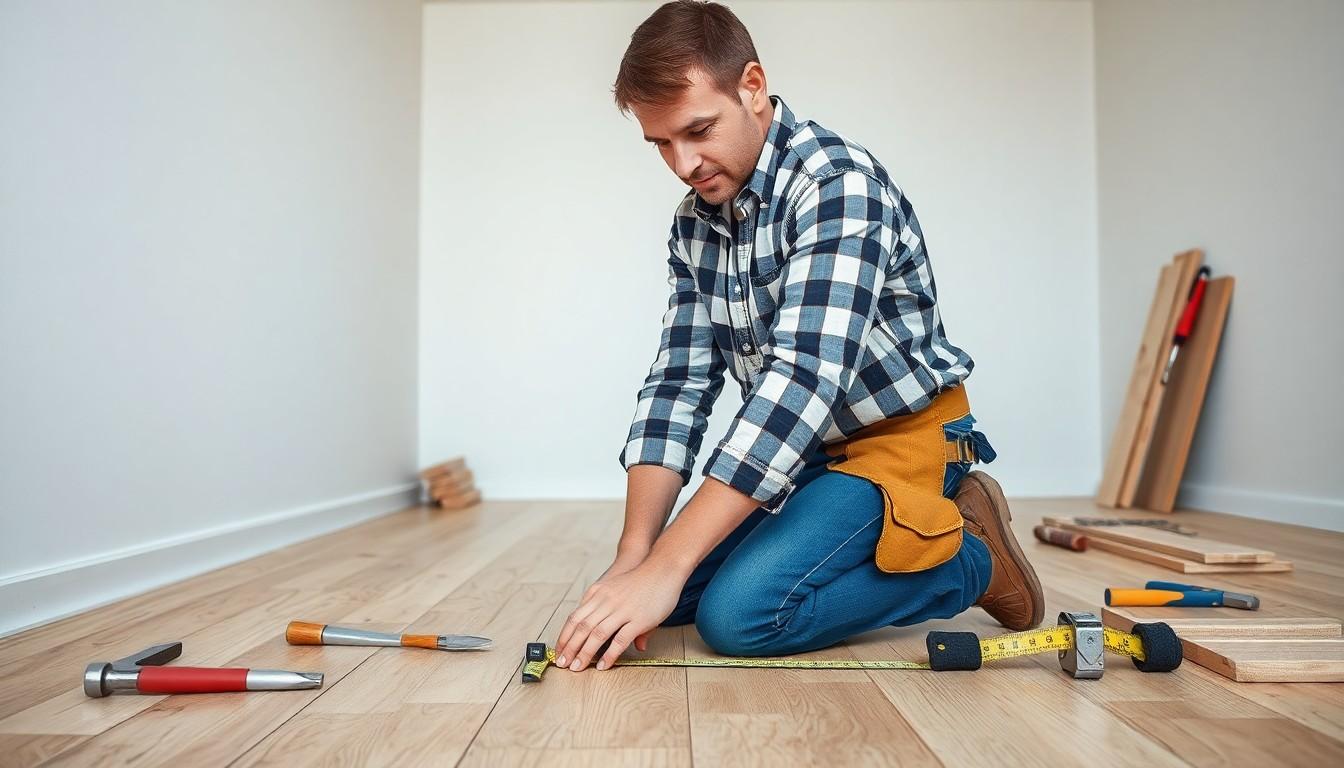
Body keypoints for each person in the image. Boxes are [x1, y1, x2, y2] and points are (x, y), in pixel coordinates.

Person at [553, 0, 1043, 673]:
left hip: (903, 441)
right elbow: (679, 382)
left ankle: (969, 560)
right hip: (809, 457)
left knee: (740, 617)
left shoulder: (838, 187)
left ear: (752, 87)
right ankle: (865, 535)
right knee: (668, 597)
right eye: (661, 143)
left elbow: (801, 382)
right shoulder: (697, 220)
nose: (684, 163)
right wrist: (636, 558)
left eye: (698, 130)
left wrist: (669, 561)